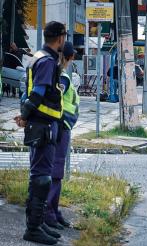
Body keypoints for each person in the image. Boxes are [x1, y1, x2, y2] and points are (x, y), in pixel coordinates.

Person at [14, 21, 66, 245]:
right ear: (60, 38)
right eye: (65, 36)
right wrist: (25, 116)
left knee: (40, 177)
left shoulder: (40, 56)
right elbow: (37, 93)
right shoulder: (46, 61)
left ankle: (38, 223)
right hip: (42, 125)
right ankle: (33, 228)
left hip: (43, 124)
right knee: (42, 178)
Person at [45, 41, 79, 230]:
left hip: (60, 125)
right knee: (56, 172)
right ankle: (49, 212)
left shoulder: (61, 74)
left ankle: (54, 211)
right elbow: (55, 99)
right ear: (70, 57)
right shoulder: (63, 77)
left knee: (55, 171)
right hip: (60, 126)